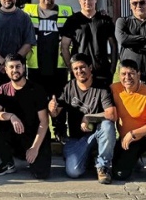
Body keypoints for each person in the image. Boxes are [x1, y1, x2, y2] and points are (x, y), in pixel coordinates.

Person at [48, 53, 117, 184]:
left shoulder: (101, 86)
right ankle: (90, 157)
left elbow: (111, 114)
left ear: (90, 68)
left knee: (107, 126)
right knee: (73, 172)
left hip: (96, 135)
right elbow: (55, 113)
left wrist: (88, 117)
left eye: (82, 67)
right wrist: (52, 108)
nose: (79, 71)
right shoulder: (68, 87)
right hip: (77, 138)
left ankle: (103, 166)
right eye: (76, 69)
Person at [0, 54, 51, 179]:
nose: (14, 70)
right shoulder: (4, 89)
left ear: (23, 67)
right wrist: (10, 116)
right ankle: (8, 163)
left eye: (18, 66)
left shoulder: (36, 89)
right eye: (11, 67)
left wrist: (34, 148)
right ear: (6, 70)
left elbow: (44, 122)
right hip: (15, 134)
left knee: (41, 174)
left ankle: (32, 155)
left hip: (34, 135)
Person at [24, 0, 73, 139]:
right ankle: (40, 135)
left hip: (58, 67)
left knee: (60, 101)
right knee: (37, 102)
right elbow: (10, 12)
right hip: (36, 67)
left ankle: (60, 132)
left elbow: (82, 21)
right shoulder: (27, 12)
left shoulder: (66, 12)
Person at [111, 59, 146, 183]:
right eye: (123, 74)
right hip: (128, 140)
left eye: (131, 73)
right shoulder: (114, 89)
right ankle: (135, 160)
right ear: (119, 75)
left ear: (138, 74)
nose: (127, 77)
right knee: (119, 174)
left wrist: (133, 133)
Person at [60, 0, 118, 89]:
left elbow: (114, 45)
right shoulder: (72, 21)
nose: (87, 2)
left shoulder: (105, 20)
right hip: (80, 73)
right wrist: (72, 68)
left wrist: (112, 68)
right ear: (79, 1)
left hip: (102, 72)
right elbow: (64, 46)